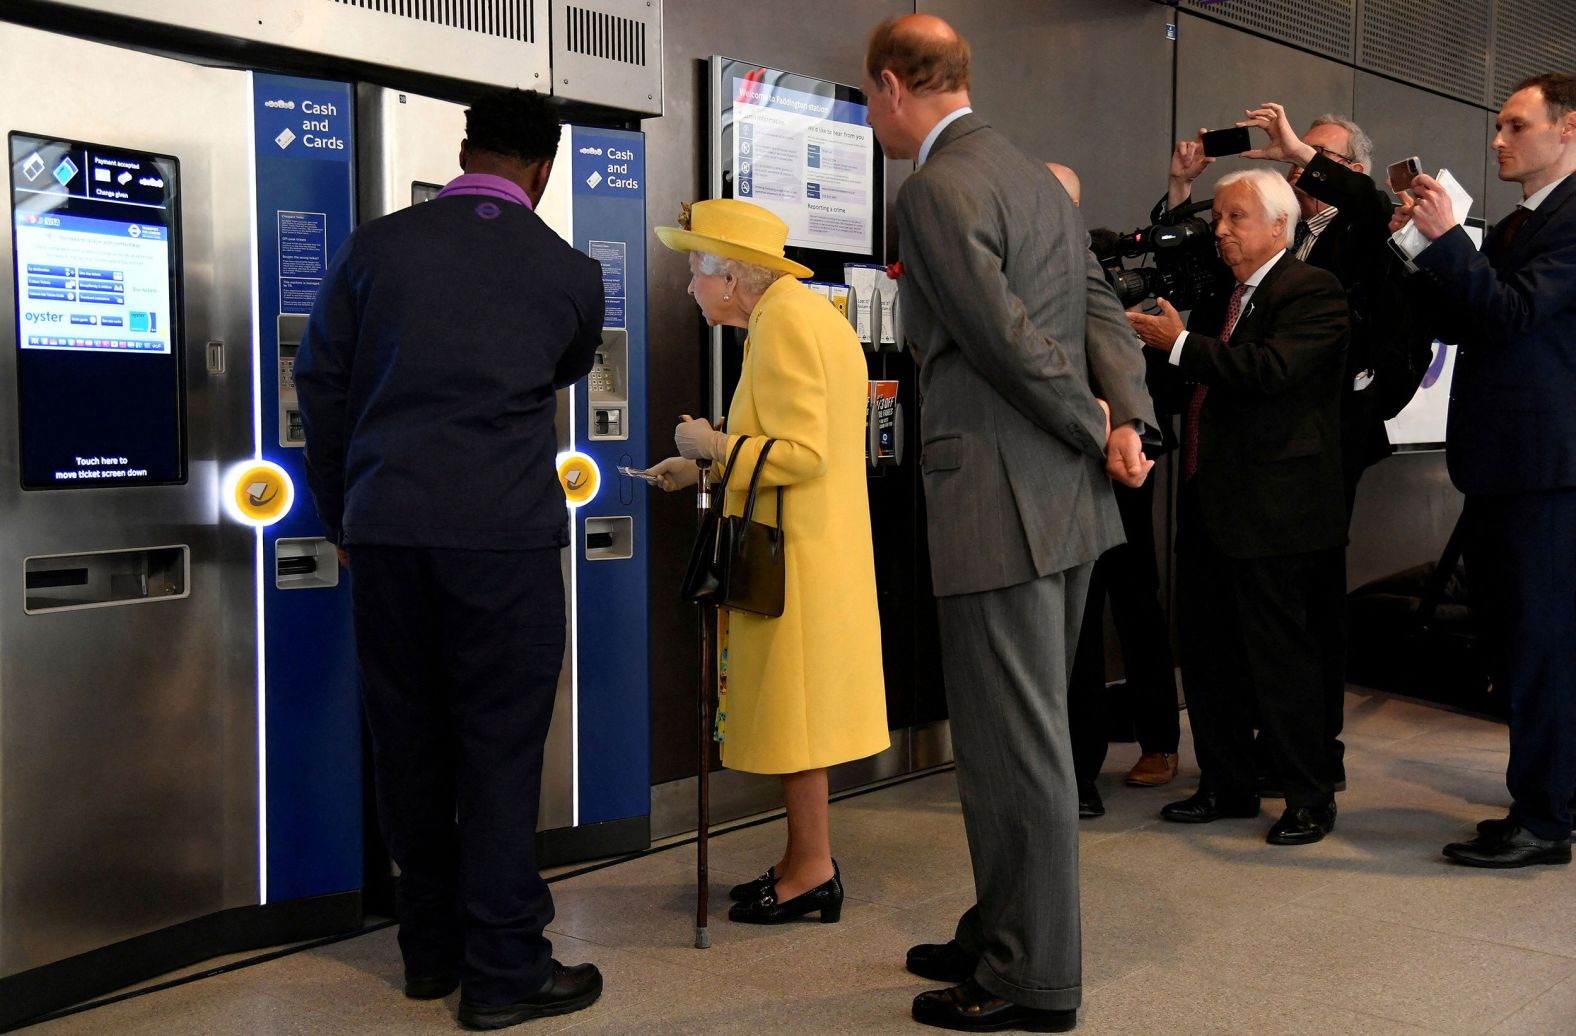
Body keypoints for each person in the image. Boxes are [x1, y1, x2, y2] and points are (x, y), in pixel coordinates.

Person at [861, 14, 1154, 1032]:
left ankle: (1030, 976)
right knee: (1017, 736)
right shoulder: (1032, 176)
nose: (872, 118)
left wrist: (1091, 422)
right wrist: (1128, 426)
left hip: (1000, 497)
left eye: (868, 98)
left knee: (1011, 746)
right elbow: (1102, 313)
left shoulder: (932, 190)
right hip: (1067, 500)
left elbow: (1004, 339)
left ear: (896, 87)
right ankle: (1001, 925)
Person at [295, 89, 605, 1030]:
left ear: (464, 149)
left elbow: (321, 380)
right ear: (544, 171)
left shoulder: (374, 248)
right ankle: (504, 971)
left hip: (387, 533)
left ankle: (429, 955)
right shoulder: (571, 272)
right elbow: (561, 367)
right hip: (504, 538)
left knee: (410, 745)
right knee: (499, 752)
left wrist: (349, 512)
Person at [646, 198, 889, 922]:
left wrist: (714, 450)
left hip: (796, 562)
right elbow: (789, 433)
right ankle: (801, 860)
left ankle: (811, 868)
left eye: (695, 272)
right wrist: (701, 467)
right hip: (808, 552)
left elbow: (804, 453)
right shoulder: (797, 314)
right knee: (796, 716)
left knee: (797, 715)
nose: (690, 288)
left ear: (731, 279)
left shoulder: (785, 322)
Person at [1128, 168, 1350, 847]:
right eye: (1218, 217)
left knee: (1281, 661)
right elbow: (1194, 382)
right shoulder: (1225, 296)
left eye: (1236, 218)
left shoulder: (1312, 290)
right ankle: (1226, 785)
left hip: (1275, 515)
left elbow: (1267, 373)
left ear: (1280, 226)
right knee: (1207, 654)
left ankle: (1308, 796)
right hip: (1208, 502)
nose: (1220, 231)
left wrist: (1182, 347)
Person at [1395, 73, 1576, 868]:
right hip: (1509, 462)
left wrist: (1450, 243)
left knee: (1541, 646)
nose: (1498, 140)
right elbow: (1460, 316)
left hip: (1545, 468)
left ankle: (1542, 820)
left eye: (1514, 125)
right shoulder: (1515, 224)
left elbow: (1507, 314)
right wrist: (1419, 244)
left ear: (1569, 128)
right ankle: (1550, 796)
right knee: (1523, 643)